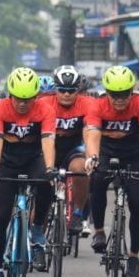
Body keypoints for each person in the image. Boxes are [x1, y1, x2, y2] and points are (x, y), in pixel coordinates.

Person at [84, 66, 139, 277]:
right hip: (106, 153)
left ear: (132, 91)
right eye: (114, 95)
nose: (119, 100)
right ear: (106, 93)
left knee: (137, 203)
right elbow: (93, 137)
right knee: (96, 179)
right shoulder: (97, 105)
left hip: (134, 155)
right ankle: (98, 230)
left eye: (124, 94)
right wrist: (93, 158)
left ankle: (134, 256)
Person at [0, 67, 55, 277]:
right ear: (10, 95)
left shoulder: (44, 110)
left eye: (28, 99)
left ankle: (36, 228)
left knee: (47, 183)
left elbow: (47, 141)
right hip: (7, 161)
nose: (23, 104)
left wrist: (50, 168)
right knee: (0, 218)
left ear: (35, 97)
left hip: (32, 159)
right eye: (18, 98)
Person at [38, 64, 93, 233]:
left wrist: (91, 158)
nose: (67, 94)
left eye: (71, 90)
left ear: (78, 90)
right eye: (62, 90)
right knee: (42, 189)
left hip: (73, 148)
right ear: (55, 89)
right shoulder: (44, 103)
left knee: (80, 169)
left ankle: (77, 213)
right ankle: (38, 234)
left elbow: (90, 133)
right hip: (49, 147)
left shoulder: (88, 103)